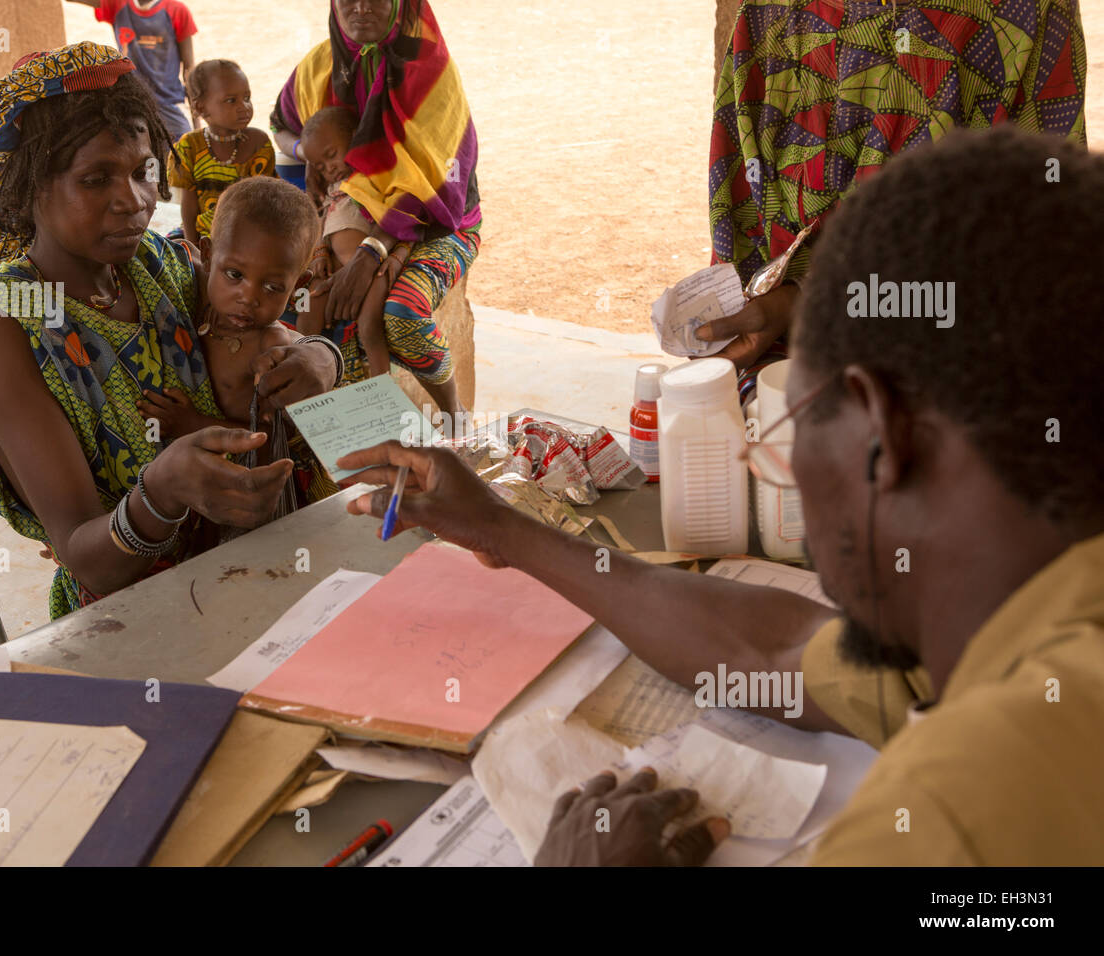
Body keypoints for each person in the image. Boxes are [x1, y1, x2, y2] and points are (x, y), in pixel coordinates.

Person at [338, 126, 1104, 865]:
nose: (781, 468)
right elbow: (770, 650)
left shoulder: (960, 812)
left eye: (787, 432)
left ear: (880, 437)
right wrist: (502, 530)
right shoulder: (1002, 621)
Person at [0, 43, 343, 619]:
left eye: (143, 172)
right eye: (96, 178)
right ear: (31, 187)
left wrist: (321, 357)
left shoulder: (156, 263)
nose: (133, 201)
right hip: (136, 613)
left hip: (254, 564)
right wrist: (161, 494)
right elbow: (86, 556)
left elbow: (261, 322)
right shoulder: (1, 322)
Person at [697, 0, 1088, 404]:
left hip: (959, 368)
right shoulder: (771, 13)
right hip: (788, 368)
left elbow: (1042, 252)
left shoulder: (1027, 13)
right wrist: (768, 311)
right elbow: (744, 227)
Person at [269, 0, 481, 415]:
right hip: (345, 216)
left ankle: (456, 420)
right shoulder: (320, 66)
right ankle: (358, 435)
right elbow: (281, 124)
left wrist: (374, 253)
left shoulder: (430, 71)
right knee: (306, 306)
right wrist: (308, 155)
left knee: (401, 314)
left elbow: (441, 185)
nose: (361, 6)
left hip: (437, 223)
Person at [136, 176, 339, 521]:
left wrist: (191, 423)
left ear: (298, 285)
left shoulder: (269, 348)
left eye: (273, 286)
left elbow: (266, 444)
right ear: (208, 254)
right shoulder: (190, 304)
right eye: (234, 274)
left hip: (256, 498)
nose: (249, 297)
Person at [298, 106, 412, 378]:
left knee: (370, 325)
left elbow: (403, 220)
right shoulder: (331, 187)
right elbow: (322, 219)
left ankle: (380, 384)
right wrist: (320, 251)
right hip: (334, 265)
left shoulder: (375, 176)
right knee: (306, 306)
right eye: (321, 167)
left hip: (373, 268)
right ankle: (305, 369)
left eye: (331, 156)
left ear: (355, 138)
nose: (330, 168)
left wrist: (399, 254)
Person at [168, 59, 277, 247]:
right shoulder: (189, 147)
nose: (244, 106)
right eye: (231, 100)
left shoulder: (258, 145)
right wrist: (193, 249)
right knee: (169, 250)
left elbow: (262, 204)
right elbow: (189, 207)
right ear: (201, 108)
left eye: (247, 97)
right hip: (201, 234)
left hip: (247, 234)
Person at [66, 0, 198, 144]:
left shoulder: (176, 10)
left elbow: (189, 69)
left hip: (169, 105)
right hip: (132, 105)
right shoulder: (117, 4)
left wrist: (196, 124)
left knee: (181, 156)